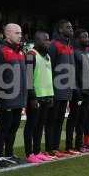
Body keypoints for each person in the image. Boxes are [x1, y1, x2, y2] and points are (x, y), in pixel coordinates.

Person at [0, 24, 27, 167]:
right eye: (17, 33)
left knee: (14, 126)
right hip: (7, 97)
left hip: (19, 97)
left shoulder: (21, 52)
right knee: (4, 126)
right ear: (7, 35)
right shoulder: (0, 51)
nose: (20, 35)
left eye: (21, 33)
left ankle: (9, 153)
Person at [23, 31, 55, 163]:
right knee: (31, 126)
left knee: (40, 126)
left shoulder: (47, 56)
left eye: (49, 40)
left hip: (46, 96)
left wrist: (51, 95)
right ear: (37, 41)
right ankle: (29, 153)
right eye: (45, 40)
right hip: (35, 97)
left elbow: (47, 78)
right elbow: (28, 79)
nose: (48, 42)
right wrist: (32, 97)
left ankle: (37, 151)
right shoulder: (31, 55)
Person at [46, 19, 75, 158]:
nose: (71, 29)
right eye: (67, 27)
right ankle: (50, 148)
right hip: (56, 91)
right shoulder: (54, 45)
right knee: (52, 120)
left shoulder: (69, 46)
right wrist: (51, 90)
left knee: (59, 121)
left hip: (66, 91)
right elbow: (49, 68)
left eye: (71, 27)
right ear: (60, 30)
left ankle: (56, 147)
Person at [65, 29, 89, 154]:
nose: (87, 39)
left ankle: (79, 144)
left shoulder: (87, 53)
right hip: (78, 92)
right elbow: (72, 73)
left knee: (83, 120)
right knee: (74, 119)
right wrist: (76, 89)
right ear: (77, 39)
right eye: (84, 37)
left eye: (87, 37)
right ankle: (69, 146)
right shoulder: (74, 53)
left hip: (88, 91)